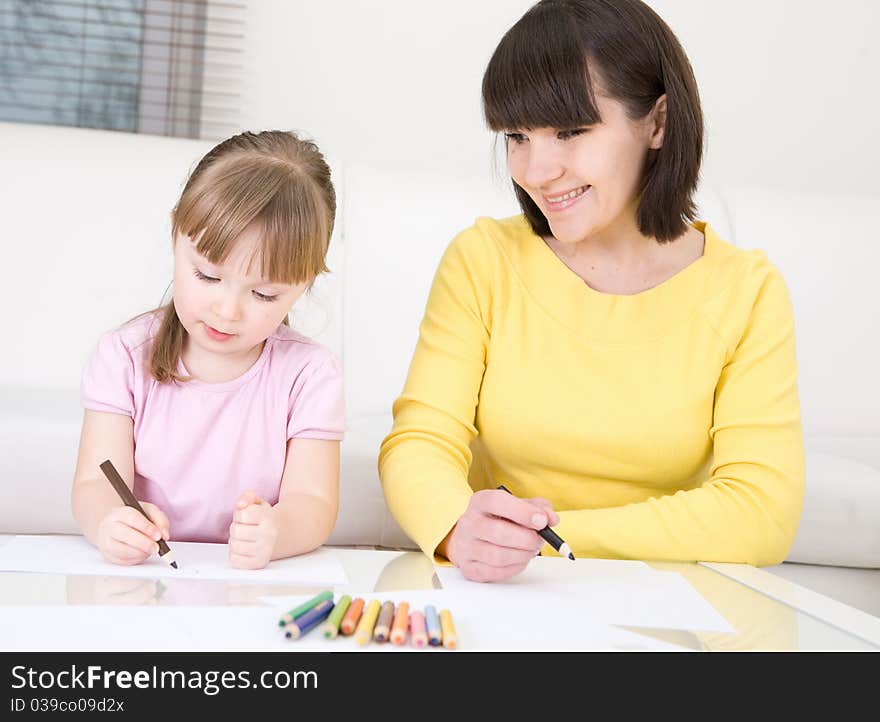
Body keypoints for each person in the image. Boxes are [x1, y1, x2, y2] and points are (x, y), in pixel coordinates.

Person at [378, 0, 805, 582]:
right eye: (518, 136)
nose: (536, 169)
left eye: (571, 131)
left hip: (661, 608)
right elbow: (419, 442)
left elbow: (762, 512)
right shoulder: (483, 260)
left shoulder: (746, 292)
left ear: (657, 123)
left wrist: (546, 541)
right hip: (500, 597)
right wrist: (455, 525)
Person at [72, 130, 344, 570]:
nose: (227, 310)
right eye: (208, 277)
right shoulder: (123, 356)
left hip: (251, 592)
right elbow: (93, 483)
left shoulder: (310, 375)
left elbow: (313, 502)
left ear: (306, 283)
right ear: (176, 230)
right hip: (148, 582)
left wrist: (278, 532)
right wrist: (111, 520)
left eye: (264, 294)